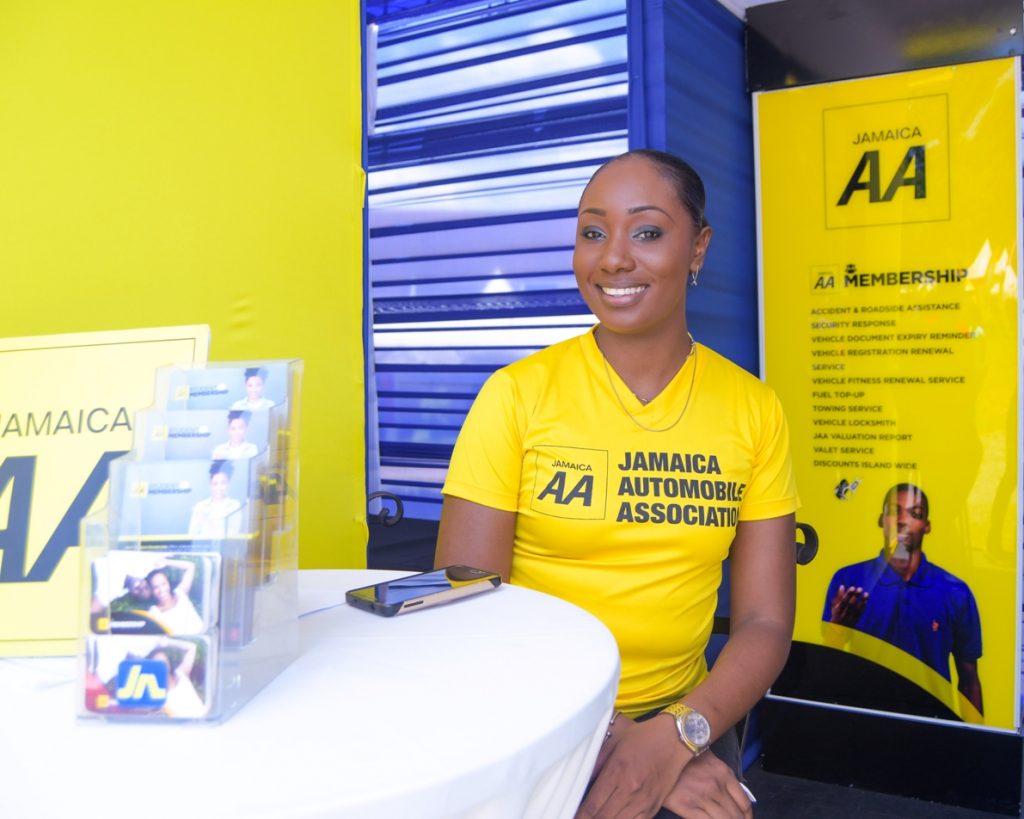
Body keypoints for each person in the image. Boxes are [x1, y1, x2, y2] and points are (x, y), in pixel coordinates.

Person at [436, 149, 799, 819]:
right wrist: (618, 742)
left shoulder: (753, 409)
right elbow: (465, 610)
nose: (613, 258)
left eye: (648, 231)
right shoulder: (517, 397)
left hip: (687, 714)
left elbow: (765, 620)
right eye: (592, 231)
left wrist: (678, 735)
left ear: (698, 247)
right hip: (535, 712)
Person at [823, 482, 983, 714]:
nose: (903, 520)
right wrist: (837, 629)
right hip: (863, 720)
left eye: (915, 514)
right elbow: (827, 668)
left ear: (927, 526)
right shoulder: (849, 580)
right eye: (894, 511)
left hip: (932, 727)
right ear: (881, 519)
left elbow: (969, 681)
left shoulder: (956, 592)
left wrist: (976, 743)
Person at [145, 638, 207, 718]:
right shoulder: (156, 696)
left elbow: (192, 647)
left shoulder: (181, 674)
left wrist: (169, 642)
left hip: (207, 723)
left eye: (164, 661)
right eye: (158, 663)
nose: (163, 666)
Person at [146, 558, 204, 634]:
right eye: (156, 587)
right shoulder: (154, 612)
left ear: (168, 584)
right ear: (152, 591)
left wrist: (166, 562)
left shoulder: (180, 593)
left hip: (203, 636)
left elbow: (191, 566)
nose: (161, 590)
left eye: (163, 584)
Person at [188, 460, 243, 539]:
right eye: (215, 484)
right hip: (204, 549)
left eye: (223, 483)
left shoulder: (234, 506)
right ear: (210, 484)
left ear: (228, 484)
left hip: (226, 550)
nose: (219, 488)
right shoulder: (200, 506)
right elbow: (192, 535)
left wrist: (206, 521)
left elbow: (232, 534)